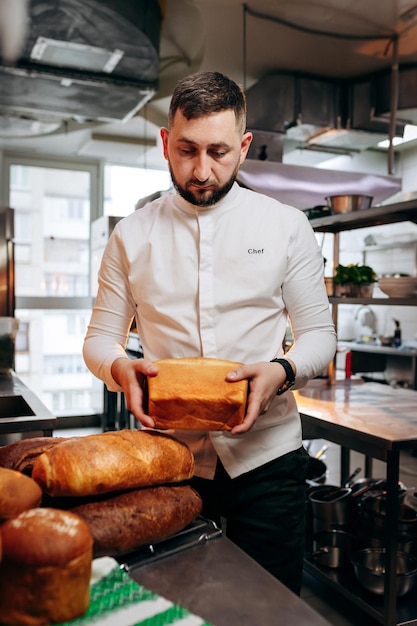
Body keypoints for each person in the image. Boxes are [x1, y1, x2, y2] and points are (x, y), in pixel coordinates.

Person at [83, 71, 336, 595]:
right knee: (174, 597)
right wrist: (117, 368)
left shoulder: (286, 226)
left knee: (269, 604)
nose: (202, 171)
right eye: (186, 150)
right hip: (168, 461)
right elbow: (99, 339)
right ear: (164, 143)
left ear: (244, 147)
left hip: (268, 459)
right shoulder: (131, 235)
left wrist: (281, 371)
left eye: (219, 152)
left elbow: (319, 336)